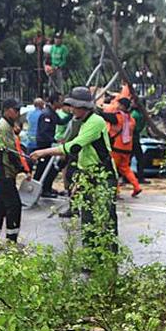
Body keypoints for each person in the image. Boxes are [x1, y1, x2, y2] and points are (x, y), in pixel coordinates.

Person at [30, 87, 117, 252]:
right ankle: (91, 256)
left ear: (83, 107)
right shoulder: (83, 122)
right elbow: (84, 156)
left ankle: (109, 257)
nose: (71, 109)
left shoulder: (95, 122)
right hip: (88, 175)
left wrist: (44, 152)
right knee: (88, 219)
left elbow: (74, 147)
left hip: (103, 176)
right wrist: (79, 180)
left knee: (106, 219)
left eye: (74, 106)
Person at [0, 99, 29, 242]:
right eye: (16, 110)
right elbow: (11, 152)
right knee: (14, 205)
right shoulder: (4, 127)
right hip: (4, 172)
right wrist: (23, 169)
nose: (18, 113)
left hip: (1, 171)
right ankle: (11, 239)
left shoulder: (6, 125)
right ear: (7, 110)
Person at [103, 96, 142, 197]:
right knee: (126, 169)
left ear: (123, 106)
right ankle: (137, 186)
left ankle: (115, 191)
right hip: (128, 148)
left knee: (113, 169)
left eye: (119, 104)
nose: (117, 105)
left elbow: (104, 115)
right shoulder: (131, 119)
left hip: (116, 147)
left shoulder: (117, 117)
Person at [34, 93, 64, 198]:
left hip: (48, 144)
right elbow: (44, 132)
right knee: (43, 167)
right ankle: (41, 189)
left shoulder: (53, 113)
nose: (62, 103)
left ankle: (46, 187)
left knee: (49, 167)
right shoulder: (46, 114)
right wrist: (55, 140)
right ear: (54, 101)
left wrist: (71, 115)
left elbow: (61, 122)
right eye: (60, 101)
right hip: (43, 145)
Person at [130, 98, 148, 183]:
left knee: (128, 159)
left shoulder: (134, 114)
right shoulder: (143, 115)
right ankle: (140, 177)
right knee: (139, 158)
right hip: (135, 137)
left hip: (131, 137)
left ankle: (125, 178)